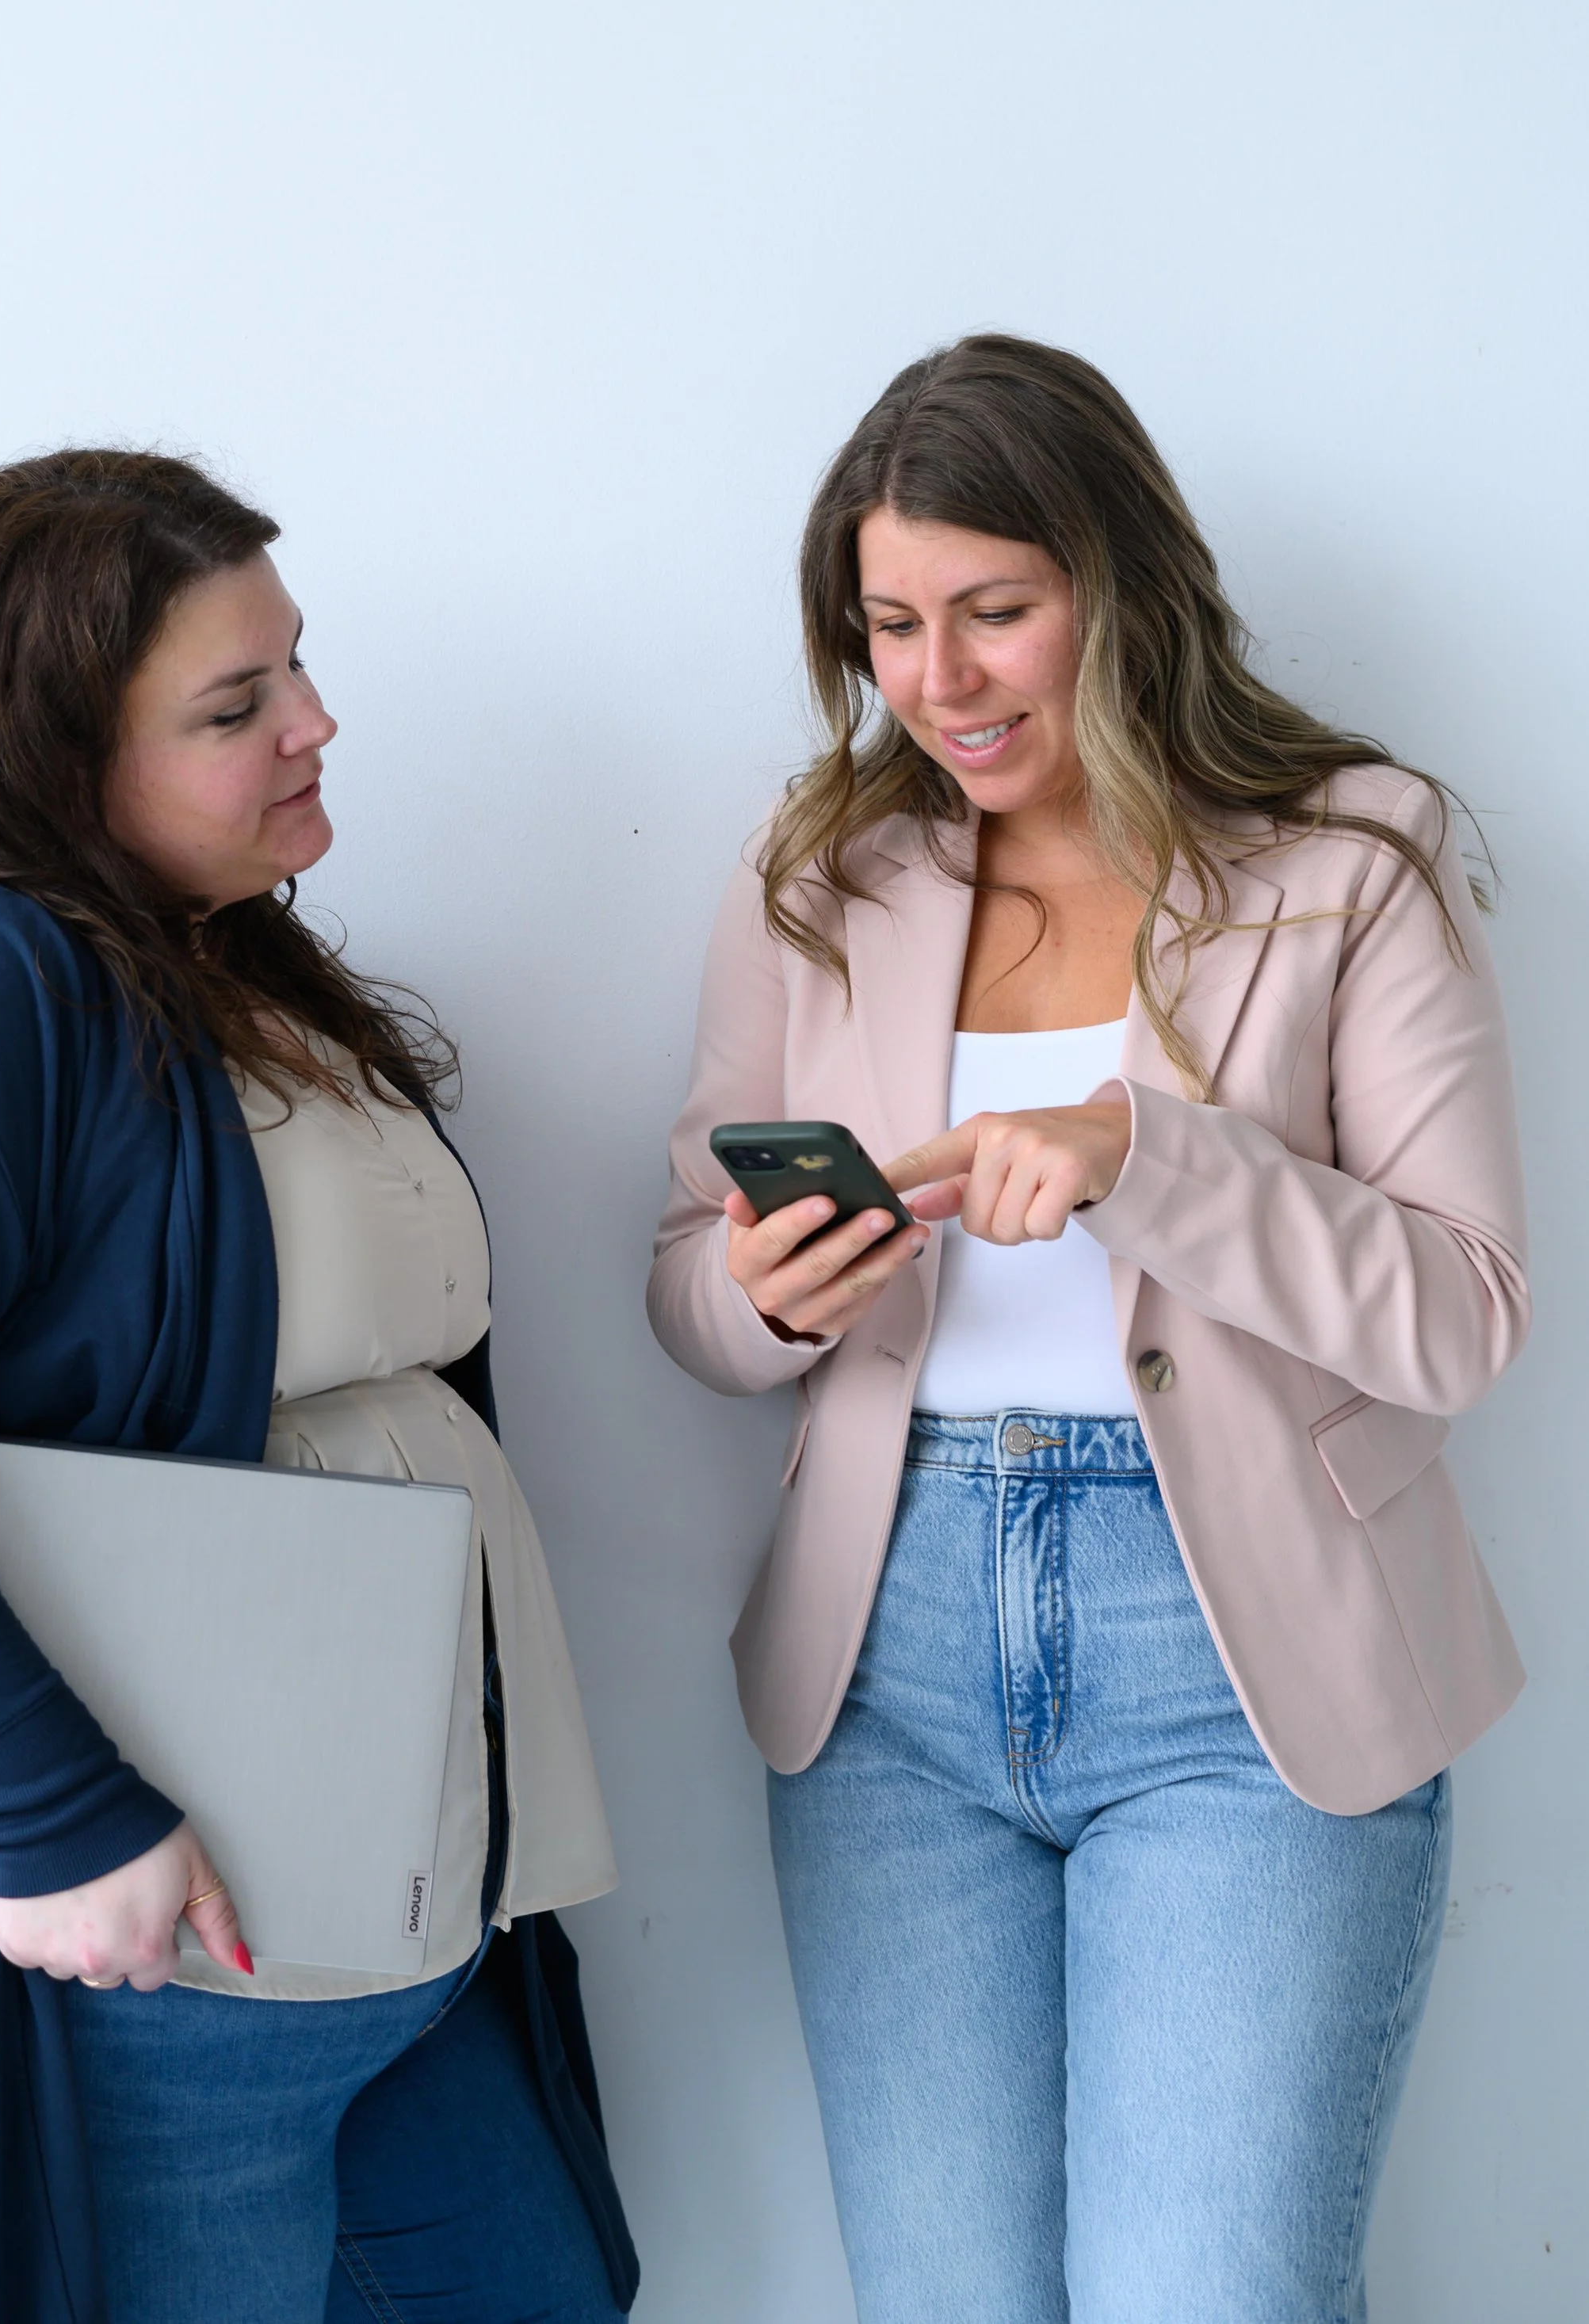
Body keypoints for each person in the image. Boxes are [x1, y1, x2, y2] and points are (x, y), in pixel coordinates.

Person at [0, 448, 639, 2324]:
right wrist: (56, 1810)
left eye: (297, 665)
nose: (312, 722)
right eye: (231, 704)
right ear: (52, 758)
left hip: (395, 1918)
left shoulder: (228, 962)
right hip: (160, 1954)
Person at [647, 334, 1526, 2324]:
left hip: (1241, 1668)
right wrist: (757, 1294)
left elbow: (1462, 1314)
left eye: (992, 612)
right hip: (885, 1668)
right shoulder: (817, 870)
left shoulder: (1347, 854)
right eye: (888, 626)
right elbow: (688, 1280)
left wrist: (1151, 1158)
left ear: (1117, 585)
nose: (937, 682)